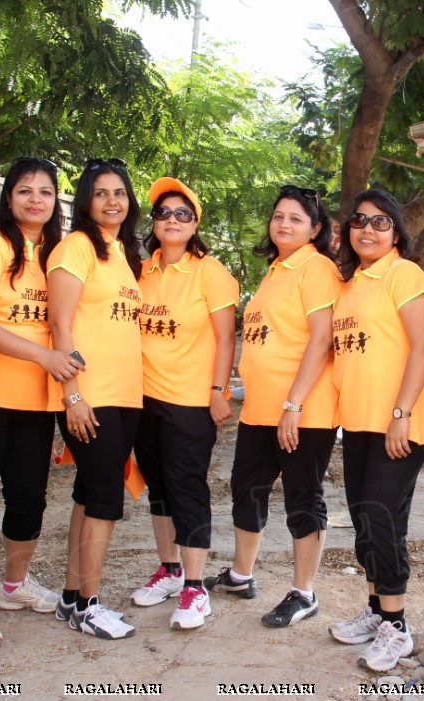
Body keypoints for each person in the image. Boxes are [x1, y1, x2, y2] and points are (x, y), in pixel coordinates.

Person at [0, 157, 80, 646]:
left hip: (34, 402)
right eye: (26, 191)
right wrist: (43, 356)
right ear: (9, 197)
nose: (36, 200)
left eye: (45, 192)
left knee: (28, 498)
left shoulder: (55, 251)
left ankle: (13, 587)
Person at [213, 184, 340, 627]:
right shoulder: (275, 269)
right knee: (247, 489)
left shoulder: (316, 268)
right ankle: (240, 574)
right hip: (260, 410)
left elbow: (322, 341)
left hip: (303, 411)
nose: (284, 224)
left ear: (315, 229)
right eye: (278, 216)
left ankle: (303, 593)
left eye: (296, 219)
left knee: (303, 499)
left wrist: (294, 404)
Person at [329, 189, 424, 672]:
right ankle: (376, 612)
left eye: (380, 223)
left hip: (400, 422)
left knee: (381, 518)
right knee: (364, 519)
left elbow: (421, 348)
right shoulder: (351, 284)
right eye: (360, 222)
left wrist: (402, 414)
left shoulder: (405, 274)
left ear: (396, 232)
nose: (368, 230)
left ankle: (397, 627)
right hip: (359, 421)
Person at [130, 177, 239, 630]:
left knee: (187, 488)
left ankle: (195, 587)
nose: (171, 220)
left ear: (195, 224)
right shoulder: (141, 269)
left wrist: (219, 391)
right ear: (153, 223)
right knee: (159, 489)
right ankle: (170, 570)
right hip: (142, 398)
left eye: (182, 214)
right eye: (163, 213)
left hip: (191, 402)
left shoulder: (210, 272)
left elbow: (225, 337)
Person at [47, 158, 144, 639]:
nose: (112, 201)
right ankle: (90, 604)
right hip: (91, 395)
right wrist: (72, 394)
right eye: (102, 192)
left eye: (120, 193)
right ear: (86, 200)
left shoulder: (121, 253)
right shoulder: (76, 246)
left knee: (89, 493)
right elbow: (59, 325)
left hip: (126, 396)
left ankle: (70, 596)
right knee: (105, 498)